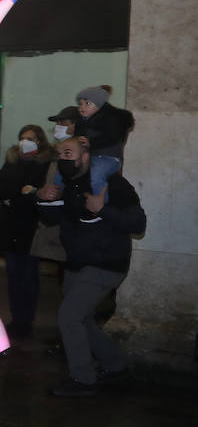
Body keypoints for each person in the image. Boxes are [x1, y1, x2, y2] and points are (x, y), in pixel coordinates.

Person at [35, 136, 144, 397]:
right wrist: (43, 198)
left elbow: (138, 224)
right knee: (82, 319)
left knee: (69, 316)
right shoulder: (67, 183)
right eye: (59, 154)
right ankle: (116, 367)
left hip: (107, 262)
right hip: (77, 261)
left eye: (68, 153)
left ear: (85, 156)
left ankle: (83, 380)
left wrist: (102, 210)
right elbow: (52, 219)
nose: (63, 159)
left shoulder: (113, 184)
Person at [0, 125, 54, 337]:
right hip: (9, 227)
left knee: (28, 277)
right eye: (22, 138)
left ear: (39, 141)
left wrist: (17, 195)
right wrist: (19, 191)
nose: (25, 142)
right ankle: (16, 318)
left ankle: (26, 320)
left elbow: (36, 195)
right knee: (13, 275)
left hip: (30, 228)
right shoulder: (12, 161)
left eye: (31, 138)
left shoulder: (44, 164)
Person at [71, 85, 133, 201]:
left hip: (108, 158)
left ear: (99, 106)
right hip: (90, 157)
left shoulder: (110, 121)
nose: (82, 107)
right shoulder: (82, 122)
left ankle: (99, 205)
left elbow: (112, 138)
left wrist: (91, 143)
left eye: (87, 103)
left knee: (97, 175)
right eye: (80, 104)